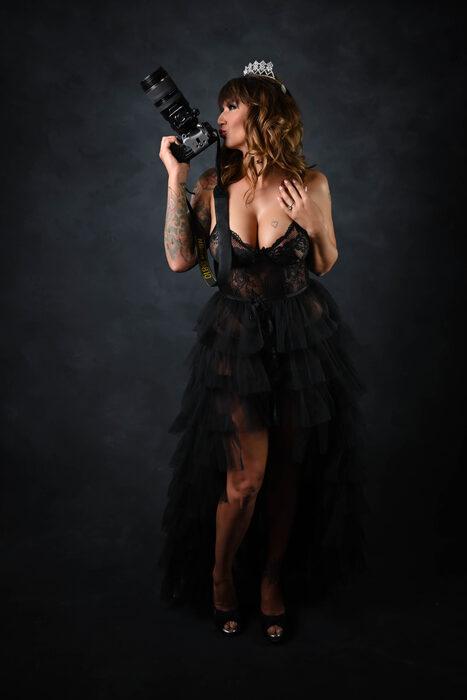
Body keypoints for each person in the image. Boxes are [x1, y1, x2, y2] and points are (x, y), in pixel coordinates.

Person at [157, 61, 369, 643]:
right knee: (245, 481)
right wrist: (177, 178)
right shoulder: (212, 186)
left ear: (264, 113)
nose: (219, 116)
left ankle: (272, 579)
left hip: (302, 336)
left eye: (232, 106)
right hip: (235, 341)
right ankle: (222, 575)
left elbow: (324, 261)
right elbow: (179, 260)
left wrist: (313, 223)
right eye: (221, 106)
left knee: (288, 470)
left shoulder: (310, 183)